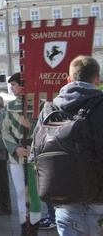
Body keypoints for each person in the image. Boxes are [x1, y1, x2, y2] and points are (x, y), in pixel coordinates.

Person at [38, 55, 103, 235]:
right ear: (97, 79)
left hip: (64, 198)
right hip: (99, 199)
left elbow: (37, 150)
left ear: (68, 79)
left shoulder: (49, 109)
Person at [1, 72, 42, 235]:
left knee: (34, 193)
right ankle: (24, 226)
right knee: (20, 192)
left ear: (23, 85)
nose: (12, 88)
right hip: (16, 156)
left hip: (34, 156)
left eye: (14, 84)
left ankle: (34, 227)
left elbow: (45, 130)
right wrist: (15, 148)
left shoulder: (40, 105)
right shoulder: (10, 107)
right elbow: (5, 131)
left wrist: (30, 125)